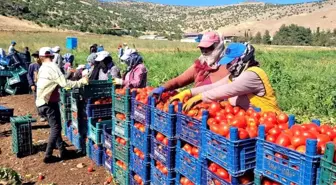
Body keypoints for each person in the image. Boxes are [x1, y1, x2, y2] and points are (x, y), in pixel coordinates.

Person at [181, 43, 281, 113]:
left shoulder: (253, 75)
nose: (228, 66)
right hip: (251, 120)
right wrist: (189, 92)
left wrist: (200, 97)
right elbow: (214, 87)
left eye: (230, 62)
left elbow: (227, 90)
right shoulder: (234, 76)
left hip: (270, 121)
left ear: (243, 59)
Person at [35, 47, 88, 163]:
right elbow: (64, 83)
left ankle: (63, 151)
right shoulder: (52, 67)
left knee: (56, 126)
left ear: (41, 57)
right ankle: (48, 156)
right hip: (48, 103)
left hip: (40, 102)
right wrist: (80, 82)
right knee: (56, 128)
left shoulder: (42, 68)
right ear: (53, 56)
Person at [150, 31, 229, 98]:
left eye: (209, 47)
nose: (204, 51)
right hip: (196, 107)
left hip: (216, 110)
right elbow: (179, 80)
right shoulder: (200, 64)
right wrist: (163, 87)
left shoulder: (227, 66)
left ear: (219, 46)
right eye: (202, 48)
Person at [27, 51, 47, 122]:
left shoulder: (44, 65)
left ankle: (46, 113)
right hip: (36, 86)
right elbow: (29, 75)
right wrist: (31, 84)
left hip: (44, 86)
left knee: (45, 99)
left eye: (37, 57)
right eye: (35, 57)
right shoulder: (32, 66)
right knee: (38, 100)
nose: (36, 58)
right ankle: (41, 114)